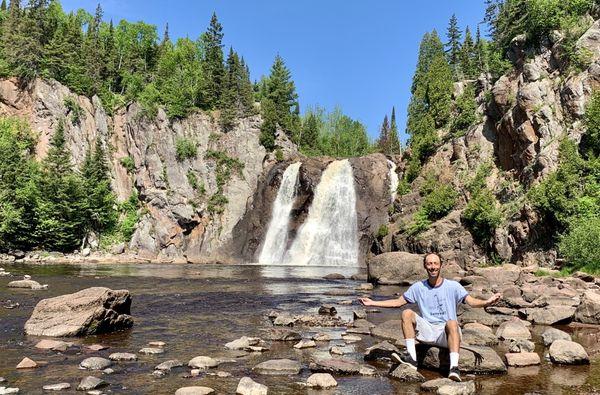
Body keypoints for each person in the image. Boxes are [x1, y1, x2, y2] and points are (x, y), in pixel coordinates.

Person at [359, 252, 502, 382]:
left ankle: (454, 368)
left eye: (435, 263)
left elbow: (471, 302)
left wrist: (487, 301)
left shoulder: (453, 286)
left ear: (441, 265)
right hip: (428, 331)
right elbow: (398, 302)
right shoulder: (418, 287)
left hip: (446, 335)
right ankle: (411, 358)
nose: (432, 267)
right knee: (406, 313)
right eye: (429, 264)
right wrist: (373, 302)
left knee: (452, 322)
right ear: (425, 266)